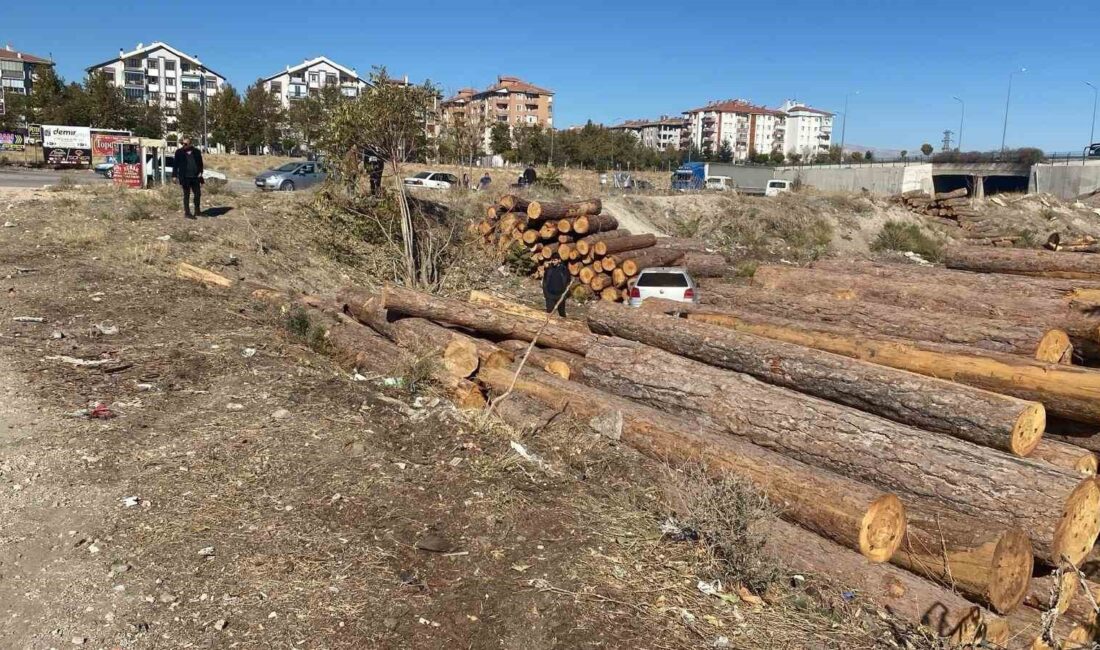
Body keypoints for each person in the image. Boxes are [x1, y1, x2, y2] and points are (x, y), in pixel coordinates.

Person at [173, 137, 204, 219]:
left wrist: (201, 172)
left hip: (195, 177)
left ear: (190, 143)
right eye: (182, 143)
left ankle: (197, 211)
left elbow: (200, 163)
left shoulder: (196, 152)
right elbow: (175, 165)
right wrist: (174, 175)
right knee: (186, 195)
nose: (183, 145)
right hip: (185, 177)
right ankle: (187, 213)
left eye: (185, 144)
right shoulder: (179, 152)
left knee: (198, 194)